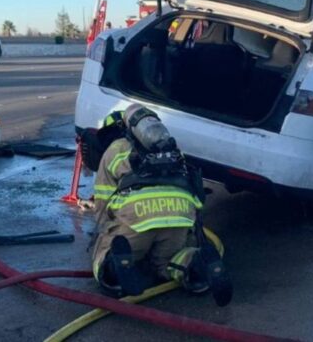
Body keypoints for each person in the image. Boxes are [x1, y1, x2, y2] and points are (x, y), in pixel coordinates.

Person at [86, 103, 232, 306]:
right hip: (179, 215)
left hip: (136, 219)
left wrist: (105, 232)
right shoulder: (172, 148)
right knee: (168, 262)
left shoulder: (115, 149)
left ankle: (113, 270)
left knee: (104, 251)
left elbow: (103, 199)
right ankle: (196, 265)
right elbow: (194, 190)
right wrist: (192, 230)